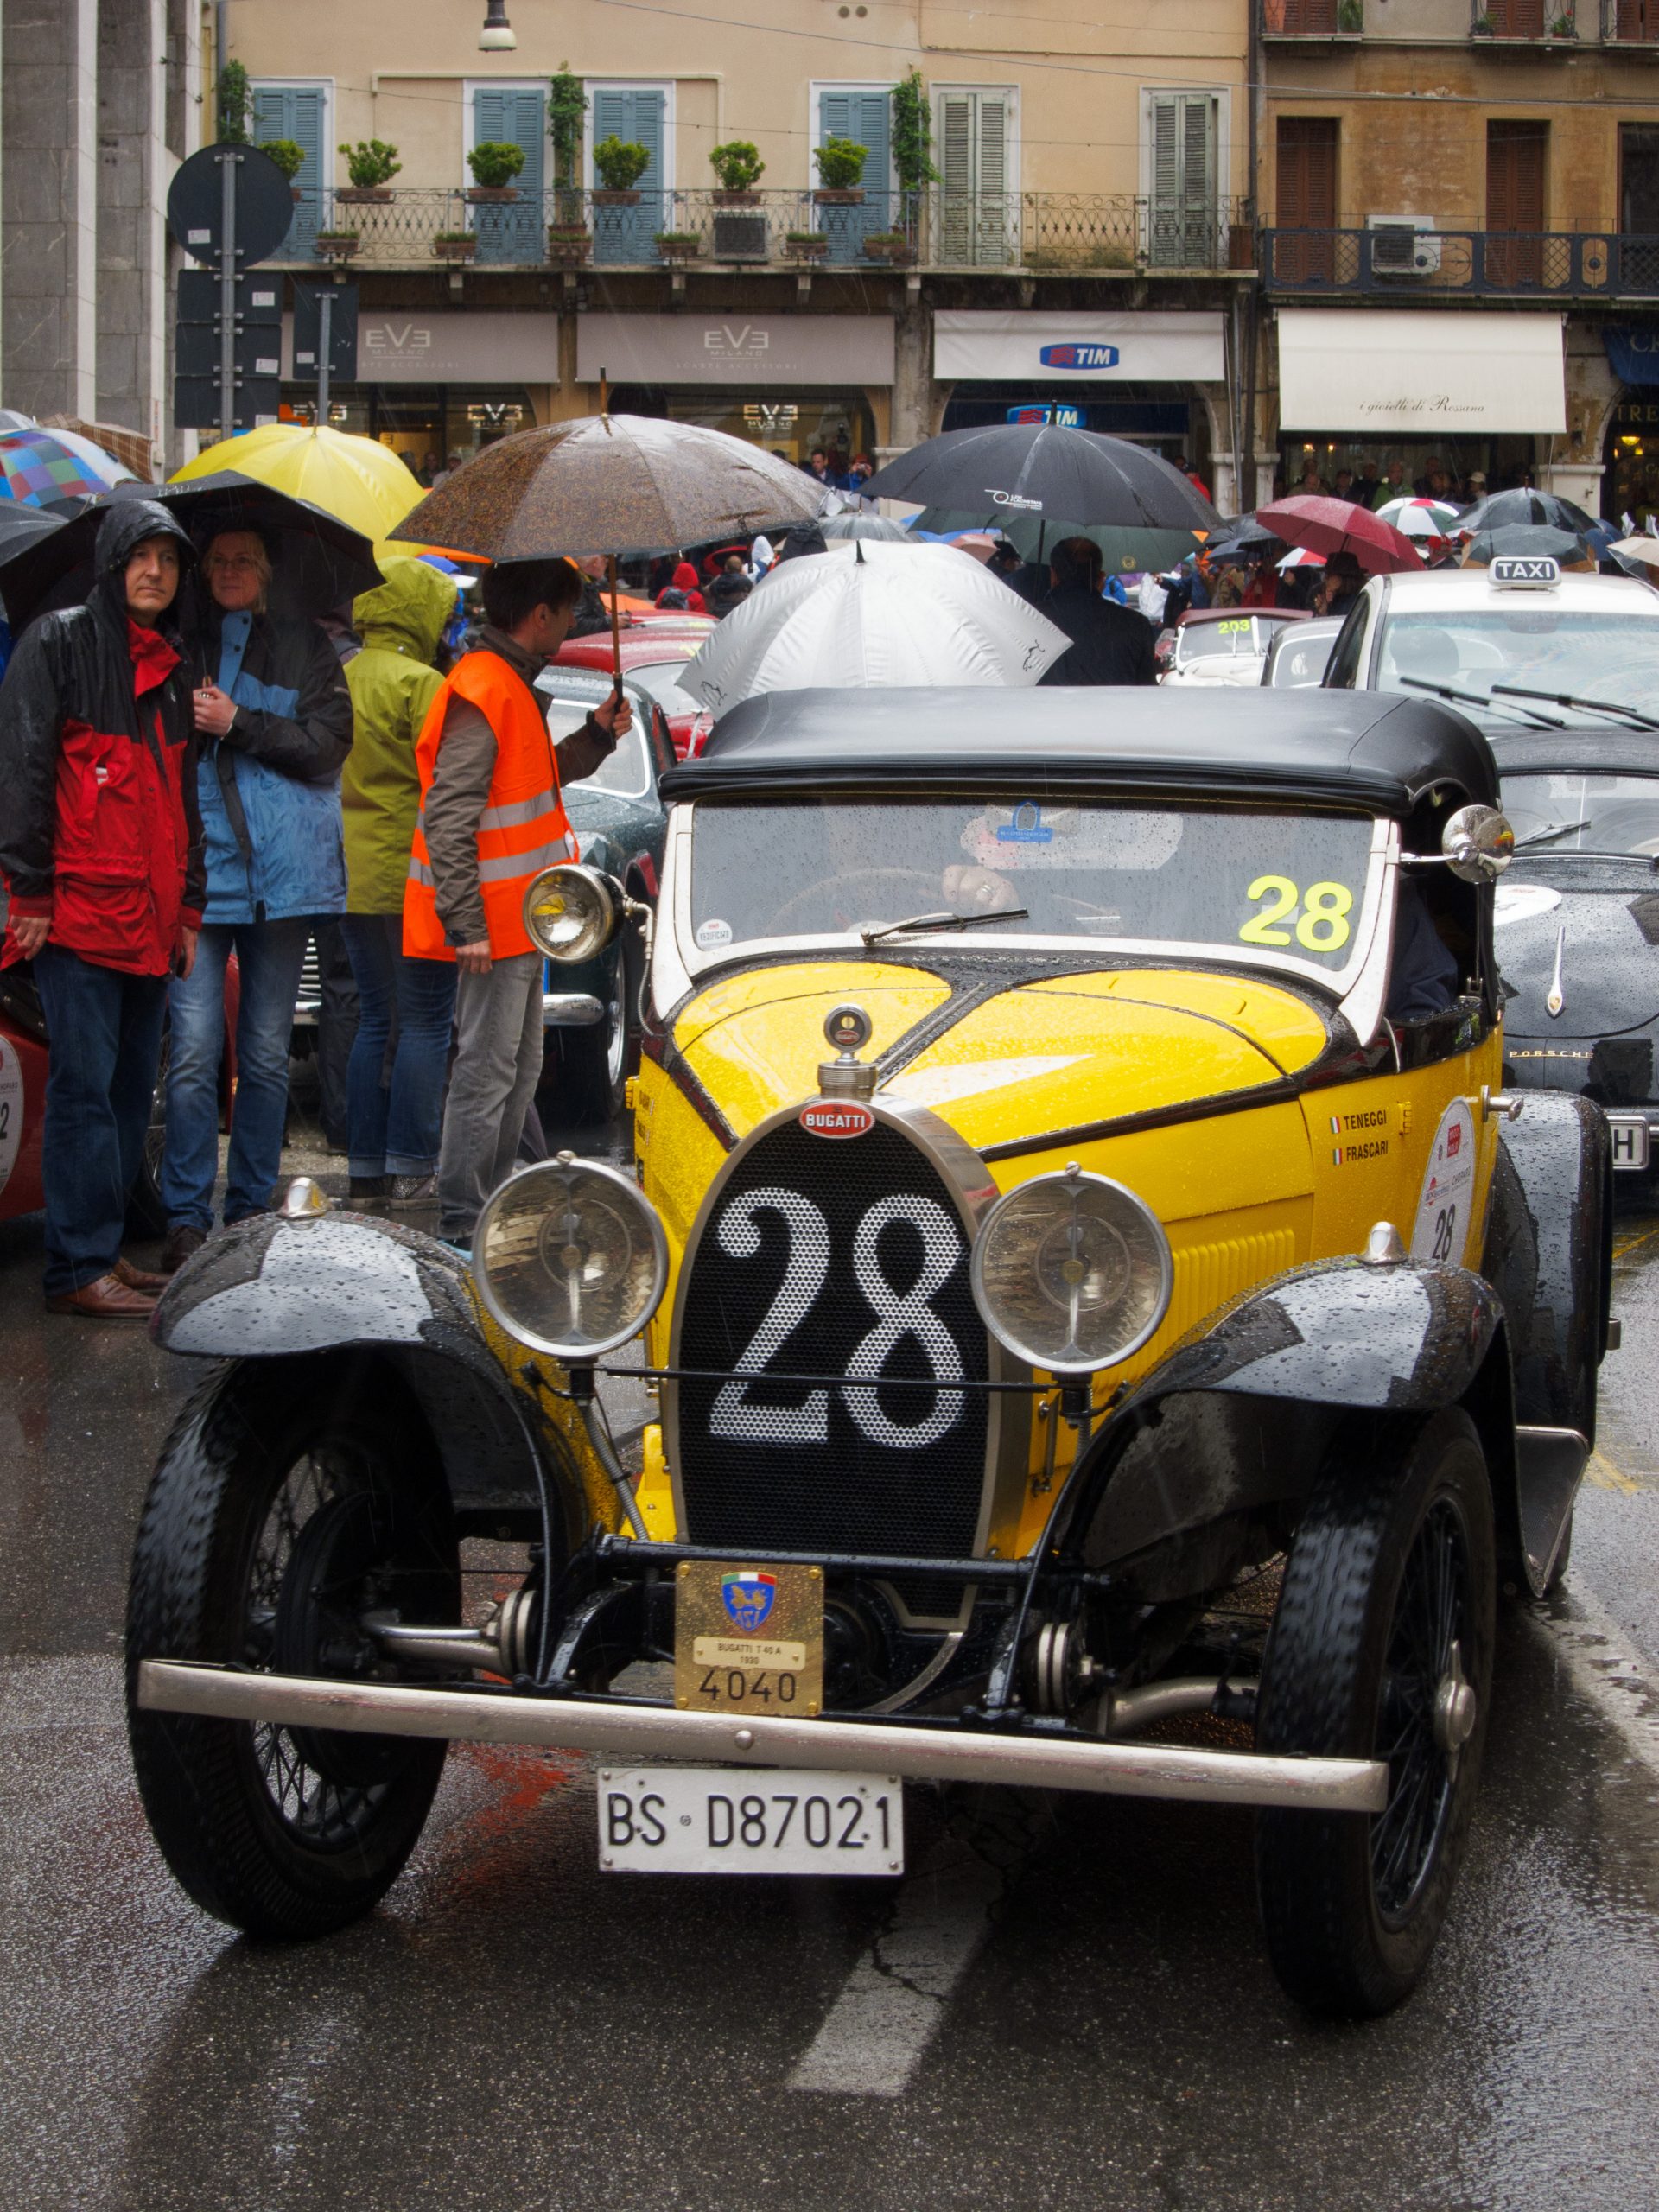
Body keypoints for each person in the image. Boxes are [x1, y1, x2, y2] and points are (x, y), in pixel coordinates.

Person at [0, 502, 203, 1318]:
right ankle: (76, 1268)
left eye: (168, 558)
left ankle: (104, 1252)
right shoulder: (58, 643)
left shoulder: (174, 667)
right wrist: (31, 889)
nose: (155, 571)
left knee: (125, 1094)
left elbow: (184, 798)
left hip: (150, 921)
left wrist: (189, 907)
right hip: (80, 913)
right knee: (85, 1092)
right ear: (112, 564)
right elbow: (21, 769)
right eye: (140, 556)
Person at [405, 557, 632, 1254]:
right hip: (495, 923)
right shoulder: (486, 687)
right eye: (567, 612)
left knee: (515, 1067)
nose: (571, 624)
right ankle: (463, 1218)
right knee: (489, 1069)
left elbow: (533, 779)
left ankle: (485, 1206)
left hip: (520, 920)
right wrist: (466, 923)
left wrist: (596, 736)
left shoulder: (504, 684)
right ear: (540, 616)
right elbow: (450, 815)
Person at [158, 528, 353, 1273]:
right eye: (218, 560)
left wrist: (238, 723)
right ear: (201, 572)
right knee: (196, 1052)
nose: (230, 570)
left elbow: (330, 745)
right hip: (201, 880)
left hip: (284, 879)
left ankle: (244, 1210)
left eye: (245, 559)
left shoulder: (306, 645)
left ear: (268, 569)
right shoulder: (182, 643)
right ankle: (184, 1216)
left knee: (267, 1054)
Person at [340, 556, 460, 1207]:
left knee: (373, 1019)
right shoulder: (425, 683)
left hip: (351, 875)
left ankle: (365, 1172)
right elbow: (448, 784)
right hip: (414, 875)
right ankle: (414, 1165)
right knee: (425, 1023)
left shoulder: (340, 676)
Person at [1038, 537, 1157, 688]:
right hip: (1116, 710)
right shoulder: (1136, 624)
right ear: (1101, 579)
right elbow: (1147, 689)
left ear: (1053, 575)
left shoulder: (1030, 619)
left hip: (1045, 710)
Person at [706, 553, 753, 620]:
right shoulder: (747, 582)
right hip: (739, 614)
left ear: (726, 567)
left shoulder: (718, 580)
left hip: (720, 614)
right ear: (741, 568)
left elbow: (707, 591)